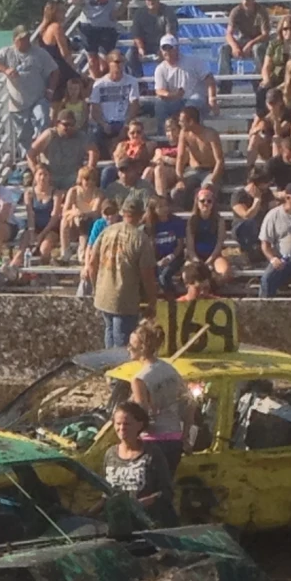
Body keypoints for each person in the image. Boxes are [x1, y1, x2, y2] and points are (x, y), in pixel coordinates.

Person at [83, 192, 156, 349]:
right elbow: (147, 274)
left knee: (109, 333)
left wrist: (96, 287)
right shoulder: (140, 239)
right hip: (125, 299)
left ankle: (109, 369)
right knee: (122, 343)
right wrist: (152, 300)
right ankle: (118, 371)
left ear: (122, 212)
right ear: (141, 215)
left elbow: (91, 263)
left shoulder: (106, 232)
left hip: (103, 295)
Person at [123, 319, 189, 470]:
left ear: (142, 348)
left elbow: (142, 417)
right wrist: (185, 436)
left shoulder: (140, 379)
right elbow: (189, 404)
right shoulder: (170, 369)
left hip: (153, 441)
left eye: (131, 345)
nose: (128, 348)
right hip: (174, 440)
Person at [97, 401, 171, 521]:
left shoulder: (152, 454)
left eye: (127, 424)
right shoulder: (110, 454)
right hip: (116, 523)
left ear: (139, 425)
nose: (121, 428)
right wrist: (89, 513)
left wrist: (136, 505)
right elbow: (106, 493)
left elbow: (166, 492)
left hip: (146, 523)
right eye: (118, 424)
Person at [0, 25, 56, 138]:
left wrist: (51, 89)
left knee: (42, 118)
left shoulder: (39, 53)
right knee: (23, 135)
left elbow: (54, 71)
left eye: (27, 38)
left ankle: (40, 149)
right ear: (15, 40)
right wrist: (5, 69)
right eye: (22, 39)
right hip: (19, 103)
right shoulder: (7, 52)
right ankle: (28, 154)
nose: (25, 41)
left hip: (38, 98)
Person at [152, 38, 216, 140]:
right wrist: (173, 95)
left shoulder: (193, 61)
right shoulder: (160, 69)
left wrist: (212, 98)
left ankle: (192, 139)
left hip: (198, 100)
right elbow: (159, 90)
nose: (167, 51)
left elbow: (209, 78)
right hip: (176, 100)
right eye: (164, 48)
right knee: (160, 104)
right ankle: (165, 140)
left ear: (177, 48)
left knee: (192, 105)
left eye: (170, 48)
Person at [224, 0, 269, 65]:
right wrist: (235, 47)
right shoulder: (236, 11)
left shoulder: (261, 11)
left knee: (257, 49)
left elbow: (265, 34)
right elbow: (229, 34)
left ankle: (260, 75)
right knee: (224, 49)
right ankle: (225, 76)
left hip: (258, 42)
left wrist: (250, 44)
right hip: (242, 40)